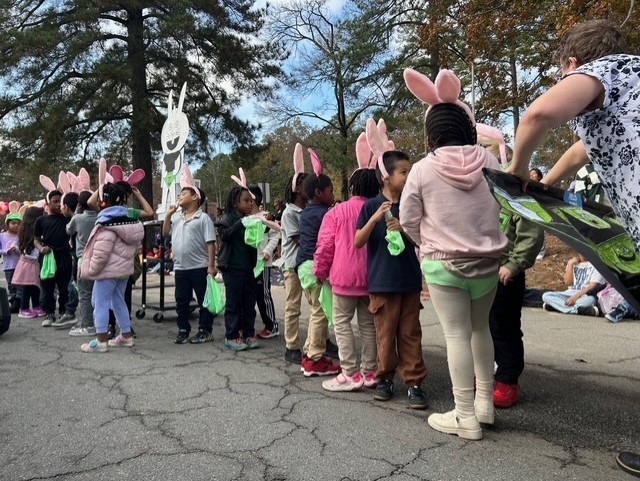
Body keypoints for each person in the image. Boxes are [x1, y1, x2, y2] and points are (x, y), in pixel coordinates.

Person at [506, 19, 640, 475]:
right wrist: (545, 183)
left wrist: (516, 171)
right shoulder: (630, 86)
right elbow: (581, 151)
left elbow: (537, 116)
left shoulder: (604, 71)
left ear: (571, 63)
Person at [400, 67, 507, 438]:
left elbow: (408, 219)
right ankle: (485, 406)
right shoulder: (490, 162)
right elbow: (507, 206)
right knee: (481, 330)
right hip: (488, 262)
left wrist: (426, 243)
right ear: (468, 127)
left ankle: (464, 416)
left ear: (431, 135)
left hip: (443, 263)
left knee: (456, 335)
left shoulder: (421, 169)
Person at [356, 149, 428, 409]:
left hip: (409, 280)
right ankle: (385, 378)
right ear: (386, 177)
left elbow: (424, 240)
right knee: (385, 335)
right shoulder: (370, 206)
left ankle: (415, 383)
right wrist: (375, 219)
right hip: (382, 282)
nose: (408, 176)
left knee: (410, 333)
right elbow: (357, 241)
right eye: (404, 172)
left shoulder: (412, 204)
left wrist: (405, 229)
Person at [485, 143, 545, 409]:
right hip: (483, 272)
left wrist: (514, 265)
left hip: (507, 274)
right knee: (482, 326)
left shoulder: (519, 200)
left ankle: (508, 381)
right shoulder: (488, 197)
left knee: (504, 326)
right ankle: (486, 373)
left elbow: (531, 236)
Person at [314, 164, 380, 392]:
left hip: (343, 278)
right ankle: (370, 372)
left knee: (342, 324)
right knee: (368, 326)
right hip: (373, 278)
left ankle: (350, 373)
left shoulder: (336, 212)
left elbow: (324, 247)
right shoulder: (379, 210)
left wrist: (320, 272)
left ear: (352, 188)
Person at [78, 182, 144, 353]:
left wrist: (91, 270)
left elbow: (101, 255)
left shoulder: (106, 224)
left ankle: (101, 341)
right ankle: (126, 336)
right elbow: (137, 248)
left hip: (107, 272)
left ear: (103, 202)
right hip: (123, 271)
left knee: (99, 303)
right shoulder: (129, 222)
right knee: (118, 301)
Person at [296, 167, 340, 377]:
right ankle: (314, 359)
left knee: (316, 311)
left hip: (303, 267)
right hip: (315, 267)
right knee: (320, 313)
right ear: (318, 193)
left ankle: (309, 354)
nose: (333, 195)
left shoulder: (306, 212)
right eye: (331, 191)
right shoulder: (324, 214)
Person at [162, 184, 217, 345]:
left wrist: (211, 266)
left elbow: (211, 243)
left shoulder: (203, 218)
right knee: (181, 300)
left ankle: (205, 330)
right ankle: (183, 329)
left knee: (203, 301)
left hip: (200, 266)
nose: (180, 196)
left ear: (195, 197)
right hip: (180, 267)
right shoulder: (178, 217)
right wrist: (168, 215)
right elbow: (165, 233)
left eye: (184, 193)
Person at [217, 184, 259, 351]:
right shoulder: (228, 218)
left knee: (249, 302)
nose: (250, 204)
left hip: (248, 267)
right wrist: (241, 223)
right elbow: (224, 235)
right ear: (235, 203)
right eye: (246, 201)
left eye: (251, 201)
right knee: (233, 303)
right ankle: (232, 335)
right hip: (232, 267)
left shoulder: (250, 219)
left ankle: (248, 333)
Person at [280, 173, 308, 363]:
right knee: (293, 306)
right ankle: (291, 346)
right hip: (293, 265)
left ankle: (322, 340)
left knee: (319, 306)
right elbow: (299, 240)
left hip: (306, 264)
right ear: (297, 189)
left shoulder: (308, 209)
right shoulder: (289, 213)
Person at [34, 189, 72, 327]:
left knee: (64, 288)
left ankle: (63, 312)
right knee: (48, 288)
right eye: (54, 202)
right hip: (47, 257)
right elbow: (36, 239)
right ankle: (49, 314)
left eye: (60, 202)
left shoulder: (67, 218)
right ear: (47, 203)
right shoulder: (41, 220)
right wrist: (41, 248)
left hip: (64, 256)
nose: (57, 205)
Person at [248, 185, 280, 339]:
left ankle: (272, 325)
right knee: (248, 295)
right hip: (248, 264)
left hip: (263, 264)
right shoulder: (245, 218)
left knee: (263, 295)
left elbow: (275, 234)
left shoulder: (266, 216)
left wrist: (268, 251)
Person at [66, 191, 98, 337]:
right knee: (98, 293)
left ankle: (87, 325)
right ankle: (99, 323)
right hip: (99, 258)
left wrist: (76, 213)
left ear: (79, 204)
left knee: (85, 294)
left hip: (83, 259)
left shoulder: (78, 218)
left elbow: (68, 230)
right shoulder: (100, 217)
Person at [52, 192, 80, 329]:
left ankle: (71, 313)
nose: (60, 208)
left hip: (80, 258)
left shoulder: (76, 220)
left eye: (62, 205)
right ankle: (70, 312)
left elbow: (68, 231)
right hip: (78, 257)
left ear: (67, 207)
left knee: (74, 286)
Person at [12, 206, 45, 318]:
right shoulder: (29, 231)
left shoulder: (31, 229)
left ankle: (36, 306)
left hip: (35, 262)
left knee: (36, 286)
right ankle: (24, 308)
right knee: (28, 286)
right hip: (29, 263)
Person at [0, 202, 23, 312]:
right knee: (11, 285)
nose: (16, 225)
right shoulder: (2, 236)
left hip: (20, 265)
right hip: (8, 266)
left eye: (18, 224)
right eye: (13, 223)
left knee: (20, 284)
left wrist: (17, 250)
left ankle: (18, 302)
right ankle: (14, 302)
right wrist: (6, 251)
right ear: (7, 224)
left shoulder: (20, 236)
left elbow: (23, 250)